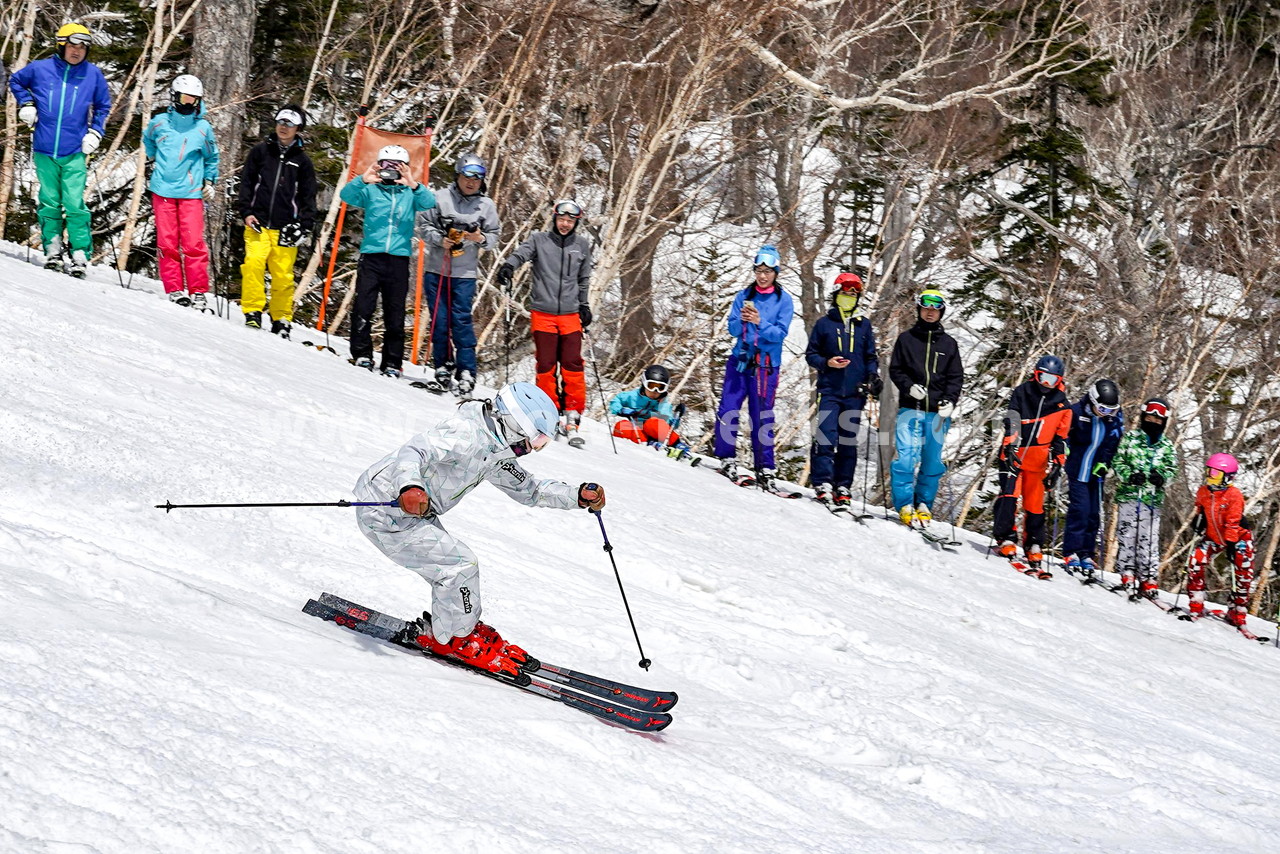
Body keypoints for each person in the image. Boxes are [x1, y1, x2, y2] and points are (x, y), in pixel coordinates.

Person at [352, 382, 607, 675]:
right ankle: (454, 639)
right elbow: (412, 452)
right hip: (386, 509)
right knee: (459, 565)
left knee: (455, 567)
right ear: (514, 424)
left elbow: (531, 489)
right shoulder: (466, 433)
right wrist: (410, 486)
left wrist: (576, 495)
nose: (533, 449)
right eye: (536, 441)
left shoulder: (496, 451)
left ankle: (460, 628)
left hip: (415, 513)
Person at [8, 23, 111, 277]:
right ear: (61, 45)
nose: (77, 51)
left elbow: (102, 106)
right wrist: (27, 104)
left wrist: (95, 132)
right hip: (44, 148)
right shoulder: (41, 69)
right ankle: (53, 250)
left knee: (75, 203)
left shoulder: (93, 75)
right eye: (72, 46)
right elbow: (16, 81)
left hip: (75, 149)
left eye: (83, 47)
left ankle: (79, 254)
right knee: (50, 202)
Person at [497, 200, 594, 441]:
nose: (565, 224)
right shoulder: (539, 240)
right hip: (543, 312)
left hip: (571, 313)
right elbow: (521, 254)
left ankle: (573, 414)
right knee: (546, 363)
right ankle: (548, 411)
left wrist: (584, 305)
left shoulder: (581, 245)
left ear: (576, 223)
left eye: (570, 221)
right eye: (562, 219)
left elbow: (584, 278)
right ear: (554, 218)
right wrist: (509, 266)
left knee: (572, 362)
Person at [339, 144, 436, 377]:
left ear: (405, 169)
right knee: (364, 306)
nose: (390, 170)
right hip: (372, 256)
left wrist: (412, 183)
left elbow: (429, 203)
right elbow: (346, 196)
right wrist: (364, 178)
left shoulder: (410, 194)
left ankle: (392, 362)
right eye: (385, 165)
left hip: (399, 259)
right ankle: (362, 354)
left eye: (396, 166)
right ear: (379, 165)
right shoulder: (371, 190)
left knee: (395, 312)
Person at [711, 245, 795, 491]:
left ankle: (765, 466)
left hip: (766, 366)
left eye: (768, 271)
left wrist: (761, 322)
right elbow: (732, 329)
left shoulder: (783, 299)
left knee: (762, 414)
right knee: (728, 408)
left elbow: (779, 334)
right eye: (759, 270)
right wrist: (743, 320)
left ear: (776, 272)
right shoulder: (743, 295)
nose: (763, 275)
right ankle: (727, 456)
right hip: (740, 360)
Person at [417, 152, 501, 395]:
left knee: (461, 321)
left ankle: (467, 370)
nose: (472, 182)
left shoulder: (486, 205)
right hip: (437, 269)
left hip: (464, 273)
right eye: (467, 176)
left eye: (477, 178)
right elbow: (424, 224)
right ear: (458, 175)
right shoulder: (440, 197)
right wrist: (439, 239)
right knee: (440, 321)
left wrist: (480, 237)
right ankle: (442, 364)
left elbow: (494, 236)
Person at [236, 105, 318, 335]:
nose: (284, 127)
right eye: (281, 122)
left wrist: (303, 225)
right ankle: (252, 311)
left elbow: (308, 196)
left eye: (290, 124)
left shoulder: (303, 162)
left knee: (283, 275)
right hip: (258, 223)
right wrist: (246, 212)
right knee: (253, 265)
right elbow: (247, 183)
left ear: (298, 128)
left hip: (285, 229)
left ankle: (281, 318)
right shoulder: (260, 152)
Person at [804, 272, 882, 508]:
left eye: (853, 294)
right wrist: (826, 362)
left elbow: (870, 355)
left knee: (848, 441)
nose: (849, 297)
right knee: (826, 435)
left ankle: (843, 485)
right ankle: (823, 482)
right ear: (836, 295)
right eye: (845, 293)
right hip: (830, 389)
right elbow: (811, 354)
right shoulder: (824, 323)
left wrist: (873, 376)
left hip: (855, 392)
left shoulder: (864, 325)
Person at [887, 288, 964, 525]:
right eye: (926, 308)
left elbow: (955, 376)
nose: (930, 313)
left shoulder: (949, 344)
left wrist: (950, 401)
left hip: (938, 413)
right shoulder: (906, 339)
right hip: (911, 408)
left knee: (932, 461)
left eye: (935, 309)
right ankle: (904, 504)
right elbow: (896, 369)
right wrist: (908, 386)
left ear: (941, 313)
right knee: (906, 460)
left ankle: (924, 504)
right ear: (919, 310)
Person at [143, 74, 219, 310]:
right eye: (185, 98)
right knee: (167, 242)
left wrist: (209, 181)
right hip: (163, 190)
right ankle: (175, 288)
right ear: (174, 97)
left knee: (193, 243)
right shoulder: (160, 122)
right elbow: (148, 140)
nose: (189, 104)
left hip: (191, 192)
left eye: (194, 100)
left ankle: (198, 291)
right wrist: (153, 158)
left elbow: (212, 156)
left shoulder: (203, 128)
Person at [993, 354, 1072, 573]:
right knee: (1009, 495)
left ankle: (1033, 543)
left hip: (1038, 461)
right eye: (1042, 377)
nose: (1046, 384)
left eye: (1052, 379)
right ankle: (1006, 538)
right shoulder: (1022, 392)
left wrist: (1058, 463)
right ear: (1035, 375)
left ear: (1060, 381)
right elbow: (1012, 418)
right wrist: (1010, 444)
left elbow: (1061, 438)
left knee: (1035, 504)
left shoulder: (1063, 406)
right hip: (1014, 454)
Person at [1110, 397, 1178, 598]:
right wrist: (1129, 475)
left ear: (1163, 423)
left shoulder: (1166, 446)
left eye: (1157, 421)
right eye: (1149, 418)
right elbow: (1118, 461)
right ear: (1143, 417)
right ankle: (1127, 573)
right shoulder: (1130, 439)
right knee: (1128, 535)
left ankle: (1148, 578)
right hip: (1130, 496)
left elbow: (1172, 469)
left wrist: (1162, 478)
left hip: (1152, 500)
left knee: (1148, 540)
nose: (1153, 423)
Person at [1061, 379, 1125, 577]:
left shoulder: (1113, 419)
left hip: (1096, 473)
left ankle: (1086, 553)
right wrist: (1064, 449)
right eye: (1103, 409)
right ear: (1092, 400)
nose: (1107, 414)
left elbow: (1113, 443)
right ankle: (1071, 551)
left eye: (1111, 410)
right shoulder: (1076, 412)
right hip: (1078, 470)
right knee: (1079, 510)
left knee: (1093, 514)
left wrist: (1106, 462)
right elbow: (1065, 435)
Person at [1186, 452, 1254, 627]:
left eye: (1215, 473)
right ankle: (1196, 600)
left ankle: (1237, 610)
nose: (1210, 476)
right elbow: (1201, 508)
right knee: (1196, 560)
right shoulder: (1203, 491)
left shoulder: (1234, 495)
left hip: (1237, 538)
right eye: (1208, 471)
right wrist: (1199, 520)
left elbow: (1233, 521)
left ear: (1227, 476)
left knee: (1242, 570)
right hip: (1213, 536)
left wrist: (1232, 543)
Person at [608, 365, 695, 461]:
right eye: (651, 386)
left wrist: (676, 418)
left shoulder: (663, 404)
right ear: (644, 383)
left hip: (654, 431)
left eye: (660, 388)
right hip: (638, 427)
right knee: (621, 426)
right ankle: (649, 444)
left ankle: (677, 445)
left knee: (652, 422)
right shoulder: (632, 396)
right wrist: (620, 409)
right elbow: (616, 401)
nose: (655, 391)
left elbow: (668, 421)